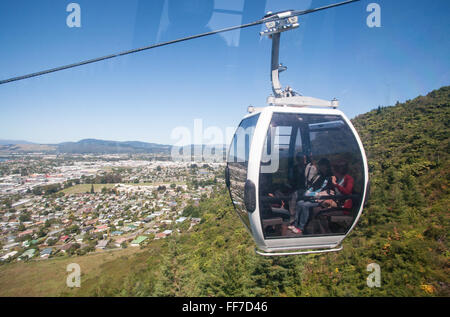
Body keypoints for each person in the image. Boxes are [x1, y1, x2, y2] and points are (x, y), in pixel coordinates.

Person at [289, 158, 333, 234]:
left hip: (322, 198)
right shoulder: (319, 176)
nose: (322, 168)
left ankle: (301, 227)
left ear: (326, 166)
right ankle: (295, 224)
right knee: (299, 203)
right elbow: (314, 185)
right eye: (320, 166)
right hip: (315, 196)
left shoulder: (329, 177)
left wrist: (313, 193)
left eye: (323, 166)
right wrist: (309, 191)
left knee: (304, 205)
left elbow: (323, 188)